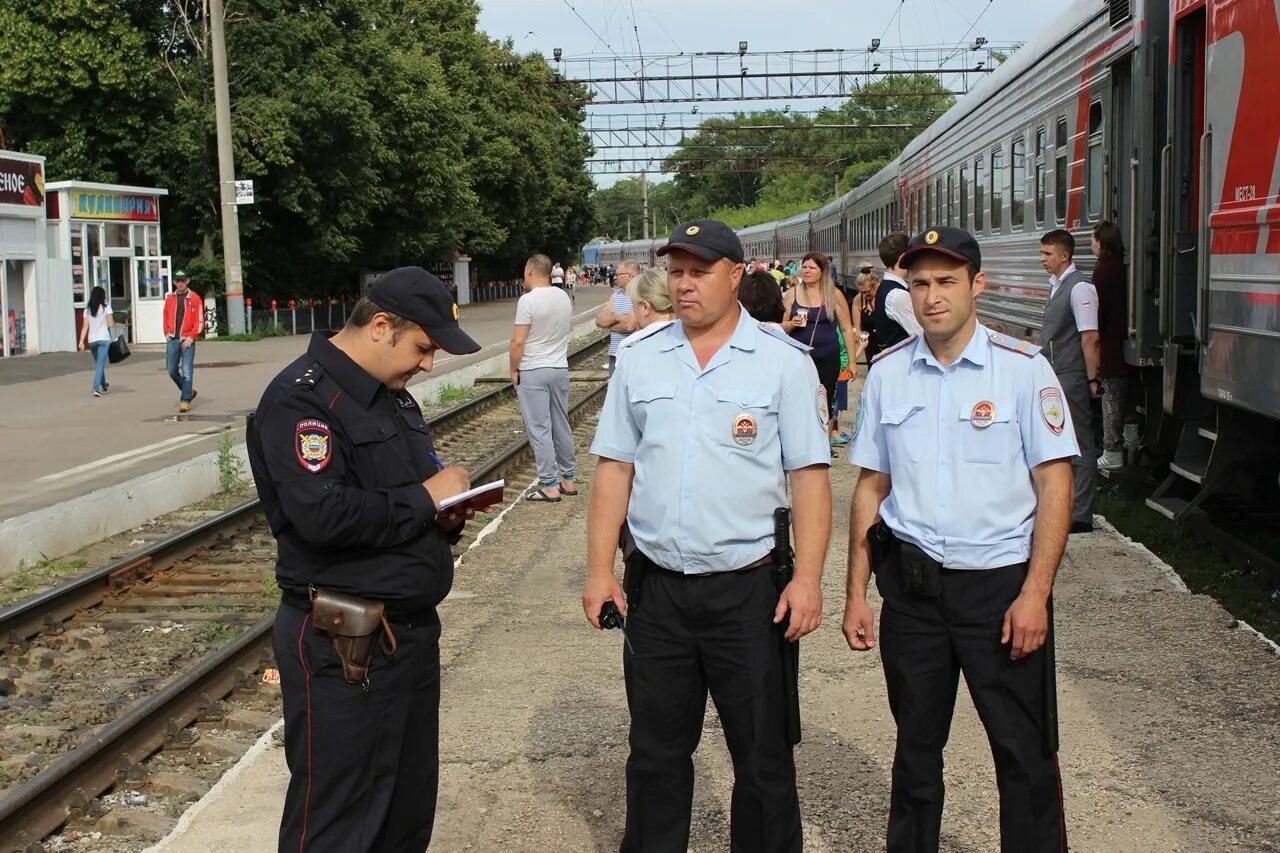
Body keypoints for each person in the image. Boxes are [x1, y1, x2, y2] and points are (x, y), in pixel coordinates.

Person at [584, 219, 832, 853]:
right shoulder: (640, 358)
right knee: (656, 757)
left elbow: (808, 479)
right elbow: (615, 467)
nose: (685, 285)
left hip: (749, 593)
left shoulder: (782, 363)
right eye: (676, 272)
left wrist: (807, 581)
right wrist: (597, 571)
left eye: (699, 272)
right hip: (658, 593)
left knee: (763, 758)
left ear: (735, 273)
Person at [843, 226, 1076, 853]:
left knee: (1024, 753)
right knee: (915, 753)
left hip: (1001, 594)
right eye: (920, 283)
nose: (931, 297)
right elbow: (871, 488)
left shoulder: (1024, 371)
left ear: (978, 285)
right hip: (914, 597)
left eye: (946, 282)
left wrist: (1035, 594)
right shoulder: (890, 374)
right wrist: (856, 594)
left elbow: (1056, 486)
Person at [246, 266, 485, 852]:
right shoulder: (300, 400)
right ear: (381, 326)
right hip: (344, 640)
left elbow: (396, 499)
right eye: (422, 347)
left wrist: (444, 512)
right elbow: (322, 515)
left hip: (405, 637)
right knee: (340, 818)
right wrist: (424, 499)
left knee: (404, 813)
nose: (428, 363)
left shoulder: (390, 398)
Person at [1039, 228, 1100, 533]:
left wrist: (1091, 378)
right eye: (1041, 253)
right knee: (1063, 439)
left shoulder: (1079, 288)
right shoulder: (1057, 285)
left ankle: (1082, 514)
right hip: (1058, 372)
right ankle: (1070, 504)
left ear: (1065, 255)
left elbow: (1089, 336)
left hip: (1073, 374)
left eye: (1047, 254)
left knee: (1081, 443)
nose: (1042, 259)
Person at [511, 254, 577, 503]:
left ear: (529, 270)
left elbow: (518, 340)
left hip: (533, 370)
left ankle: (549, 485)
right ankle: (568, 480)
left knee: (539, 428)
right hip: (559, 368)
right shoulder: (563, 296)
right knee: (561, 423)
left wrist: (513, 368)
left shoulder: (527, 300)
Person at [781, 252, 858, 447]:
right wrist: (791, 323)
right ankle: (801, 442)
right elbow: (780, 327)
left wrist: (852, 361)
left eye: (812, 268)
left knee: (825, 401)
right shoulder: (793, 293)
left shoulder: (834, 295)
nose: (806, 271)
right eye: (804, 267)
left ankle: (823, 446)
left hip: (827, 359)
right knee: (799, 401)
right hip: (799, 358)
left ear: (822, 271)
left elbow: (847, 328)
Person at [1092, 221, 1127, 470]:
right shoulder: (1122, 266)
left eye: (1093, 241)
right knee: (1124, 395)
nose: (1091, 245)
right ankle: (1130, 442)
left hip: (1111, 345)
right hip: (1123, 341)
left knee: (1111, 397)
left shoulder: (1104, 270)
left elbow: (1099, 312)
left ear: (1101, 243)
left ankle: (1112, 451)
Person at [871, 233, 923, 356]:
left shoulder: (884, 287)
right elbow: (921, 335)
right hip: (903, 363)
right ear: (903, 258)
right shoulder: (898, 295)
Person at [163, 270, 203, 413]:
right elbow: (165, 316)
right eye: (178, 281)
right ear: (174, 282)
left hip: (187, 340)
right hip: (172, 339)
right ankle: (189, 391)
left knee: (187, 371)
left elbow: (199, 321)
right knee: (171, 370)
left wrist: (191, 337)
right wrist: (167, 332)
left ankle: (185, 400)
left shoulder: (195, 298)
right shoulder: (170, 298)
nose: (180, 283)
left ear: (187, 281)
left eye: (183, 280)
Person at [595, 260, 639, 374]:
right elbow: (599, 320)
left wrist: (610, 322)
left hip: (632, 355)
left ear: (629, 276)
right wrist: (620, 318)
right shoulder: (616, 295)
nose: (615, 277)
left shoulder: (639, 295)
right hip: (614, 354)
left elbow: (629, 326)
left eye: (618, 274)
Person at [78, 285, 114, 397]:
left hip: (92, 340)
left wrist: (81, 342)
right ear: (102, 296)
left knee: (99, 363)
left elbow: (85, 327)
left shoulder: (87, 310)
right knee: (100, 364)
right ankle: (96, 387)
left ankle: (103, 385)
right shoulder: (106, 308)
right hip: (104, 339)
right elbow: (111, 324)